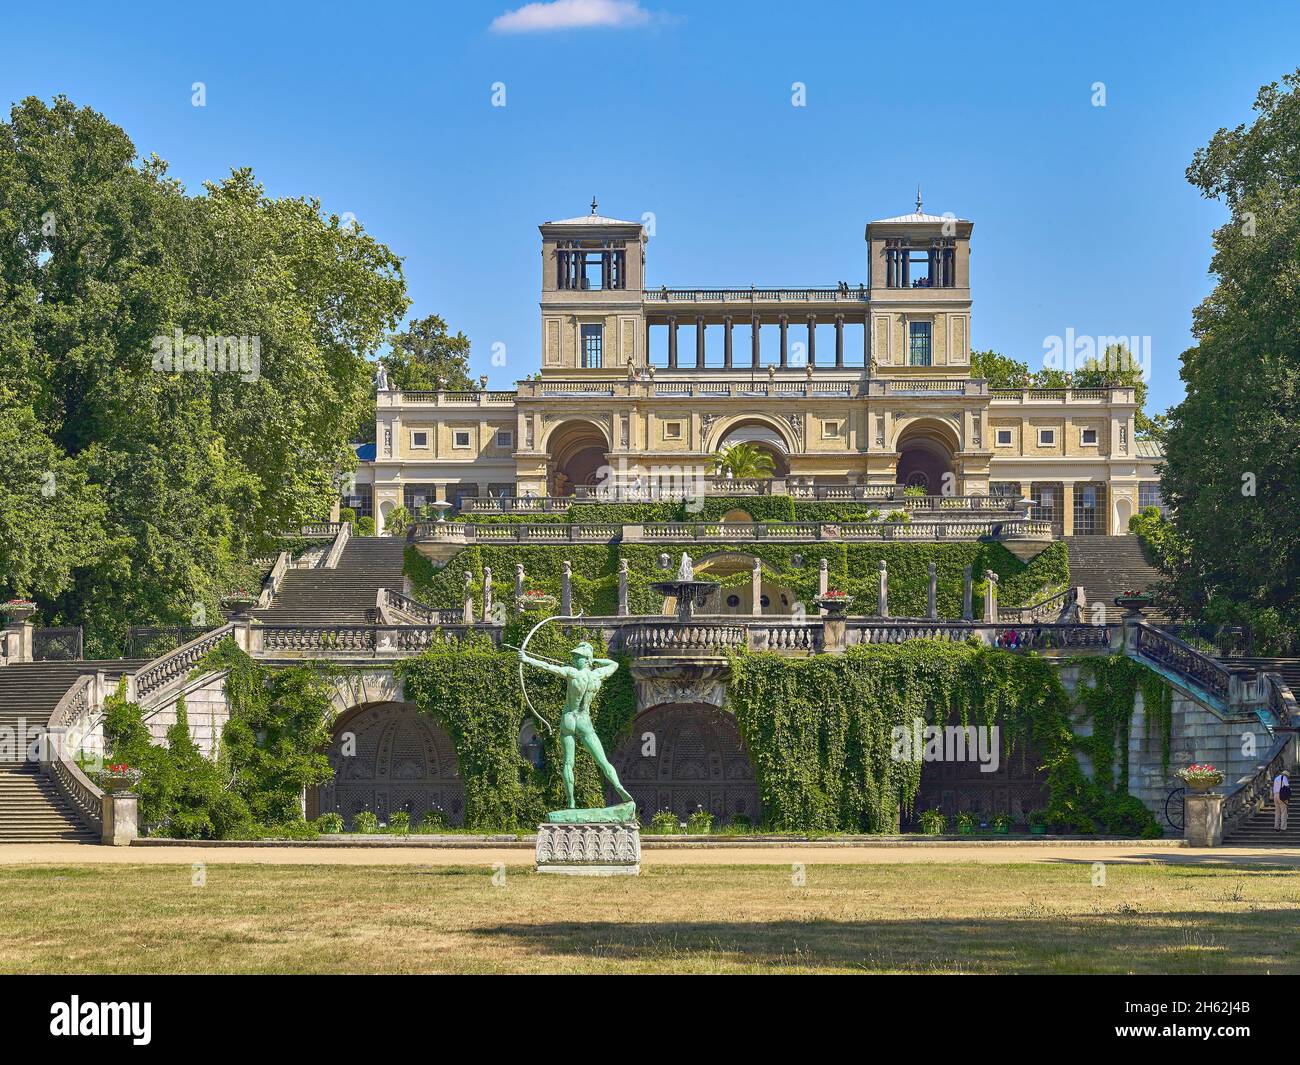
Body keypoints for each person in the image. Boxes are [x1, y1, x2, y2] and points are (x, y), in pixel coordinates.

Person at [518, 640, 634, 811]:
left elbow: (548, 667)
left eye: (577, 657)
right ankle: (617, 788)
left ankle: (572, 802)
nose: (573, 659)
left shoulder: (572, 673)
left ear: (586, 659)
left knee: (568, 763)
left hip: (569, 719)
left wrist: (527, 659)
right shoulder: (597, 675)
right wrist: (596, 662)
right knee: (602, 762)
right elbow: (614, 664)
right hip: (584, 721)